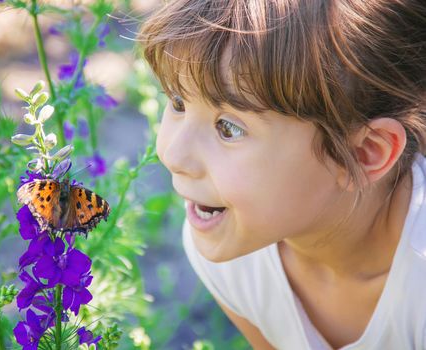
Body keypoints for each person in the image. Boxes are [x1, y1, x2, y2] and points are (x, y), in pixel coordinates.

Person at [138, 0, 426, 349]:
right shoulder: (233, 256)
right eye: (178, 102)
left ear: (363, 153)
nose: (173, 155)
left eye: (228, 128)